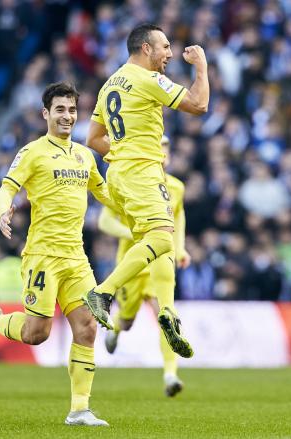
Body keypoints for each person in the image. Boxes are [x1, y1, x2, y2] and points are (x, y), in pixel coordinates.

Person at [0, 82, 117, 427]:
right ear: (46, 114)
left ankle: (80, 409)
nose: (67, 116)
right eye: (60, 110)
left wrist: (137, 210)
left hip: (76, 258)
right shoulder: (32, 152)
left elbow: (104, 193)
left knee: (87, 327)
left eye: (72, 110)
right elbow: (7, 189)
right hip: (42, 257)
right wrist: (3, 210)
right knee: (38, 333)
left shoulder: (84, 155)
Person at [84, 23, 209, 359]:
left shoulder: (110, 83)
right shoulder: (148, 79)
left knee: (155, 246)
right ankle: (103, 292)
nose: (170, 53)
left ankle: (167, 310)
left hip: (119, 175)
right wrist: (202, 66)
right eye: (165, 46)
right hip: (141, 173)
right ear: (145, 48)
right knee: (163, 239)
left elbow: (93, 140)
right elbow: (199, 105)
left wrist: (121, 156)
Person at [98, 136, 190, 397]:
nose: (162, 152)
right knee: (127, 321)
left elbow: (179, 215)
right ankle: (116, 327)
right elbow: (104, 222)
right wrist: (134, 233)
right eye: (157, 147)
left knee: (166, 316)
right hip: (132, 266)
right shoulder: (129, 185)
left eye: (165, 147)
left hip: (161, 262)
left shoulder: (176, 188)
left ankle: (171, 374)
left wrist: (180, 246)